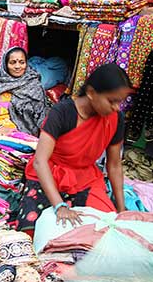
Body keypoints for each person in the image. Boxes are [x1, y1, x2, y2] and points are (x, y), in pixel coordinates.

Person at [16, 63, 131, 233]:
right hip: (50, 174)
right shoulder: (62, 113)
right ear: (91, 93)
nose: (116, 108)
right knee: (32, 230)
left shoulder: (115, 119)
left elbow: (114, 165)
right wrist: (59, 205)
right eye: (112, 101)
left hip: (85, 178)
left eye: (119, 103)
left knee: (105, 228)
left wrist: (121, 210)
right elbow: (40, 161)